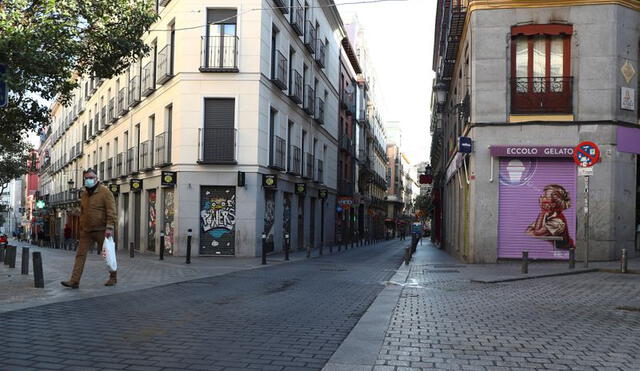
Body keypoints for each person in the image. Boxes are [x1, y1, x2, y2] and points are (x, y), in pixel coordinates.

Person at [61, 168, 117, 289]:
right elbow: (83, 211)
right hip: (86, 230)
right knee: (80, 255)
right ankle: (74, 280)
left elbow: (111, 211)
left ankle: (113, 277)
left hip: (101, 229)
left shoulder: (105, 192)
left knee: (107, 254)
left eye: (91, 178)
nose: (88, 180)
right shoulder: (84, 194)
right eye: (86, 178)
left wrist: (109, 227)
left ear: (97, 179)